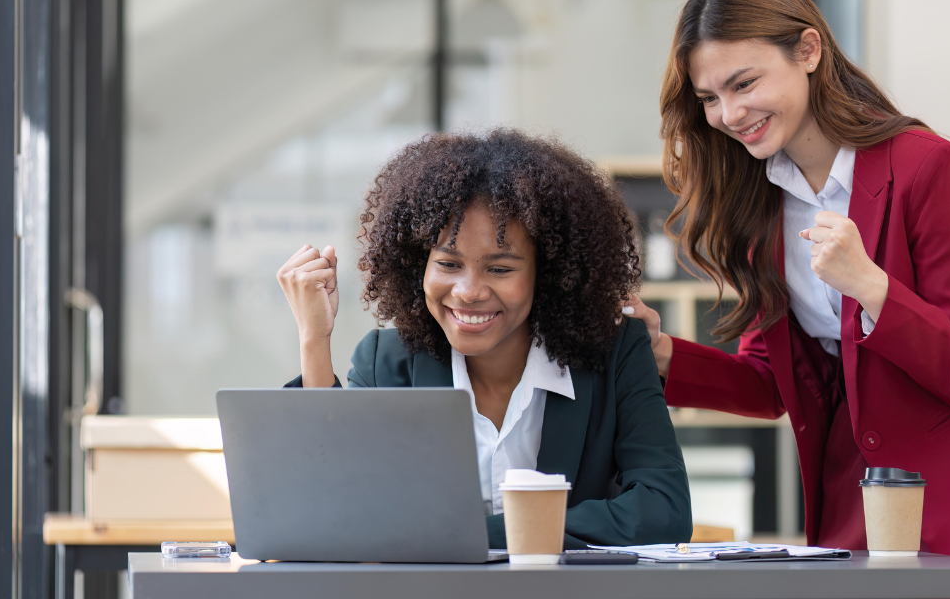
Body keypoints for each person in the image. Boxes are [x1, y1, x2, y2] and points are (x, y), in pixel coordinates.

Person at [631, 0, 950, 564]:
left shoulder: (928, 168)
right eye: (710, 98)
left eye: (744, 84)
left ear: (808, 50)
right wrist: (659, 354)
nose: (729, 114)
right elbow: (771, 386)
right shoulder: (762, 203)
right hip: (857, 510)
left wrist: (872, 289)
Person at [278, 129, 691, 549]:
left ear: (545, 274)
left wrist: (476, 534)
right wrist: (314, 339)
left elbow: (663, 512)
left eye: (500, 269)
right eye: (448, 263)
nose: (468, 291)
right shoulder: (387, 362)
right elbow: (330, 509)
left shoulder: (617, 352)